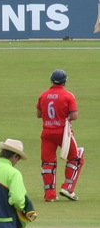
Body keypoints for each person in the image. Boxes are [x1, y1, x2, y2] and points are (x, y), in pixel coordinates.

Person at [36, 69, 83, 202]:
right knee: (76, 157)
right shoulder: (68, 96)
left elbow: (39, 114)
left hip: (47, 133)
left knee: (48, 162)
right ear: (64, 81)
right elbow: (74, 116)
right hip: (63, 134)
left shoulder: (43, 95)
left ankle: (49, 194)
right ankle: (67, 187)